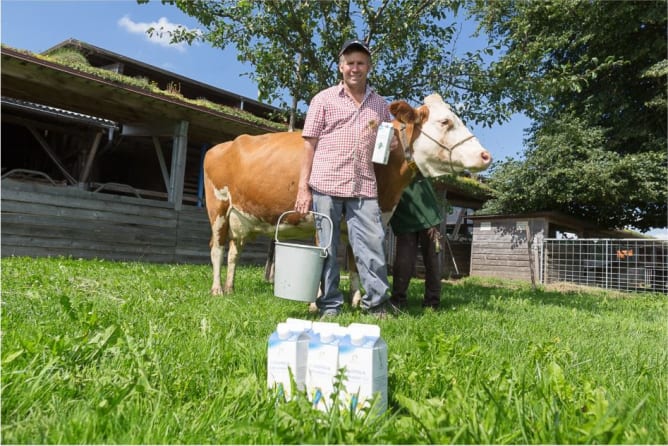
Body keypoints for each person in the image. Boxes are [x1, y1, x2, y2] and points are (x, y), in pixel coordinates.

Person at [294, 38, 398, 319]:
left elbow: (385, 144)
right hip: (326, 184)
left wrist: (391, 144)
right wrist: (303, 188)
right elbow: (309, 144)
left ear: (369, 67)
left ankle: (376, 304)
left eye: (361, 63)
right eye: (350, 63)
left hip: (363, 185)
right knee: (327, 247)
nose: (355, 68)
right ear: (341, 67)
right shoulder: (323, 99)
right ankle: (329, 305)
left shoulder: (380, 105)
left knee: (373, 244)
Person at [389, 175, 443, 310]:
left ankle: (432, 302)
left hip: (428, 215)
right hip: (403, 213)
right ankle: (398, 300)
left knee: (432, 259)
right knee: (404, 260)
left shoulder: (414, 157)